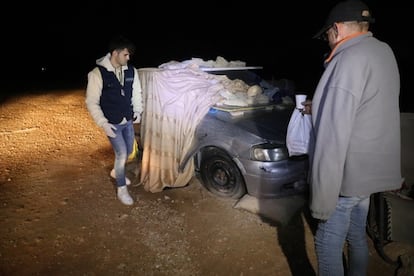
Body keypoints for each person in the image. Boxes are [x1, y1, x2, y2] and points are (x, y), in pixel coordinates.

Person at [304, 1, 402, 275]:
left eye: (327, 35)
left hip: (347, 176)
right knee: (356, 236)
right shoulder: (383, 51)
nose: (327, 40)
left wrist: (323, 200)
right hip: (372, 172)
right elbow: (367, 105)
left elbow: (332, 135)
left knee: (327, 240)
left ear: (336, 28)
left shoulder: (347, 60)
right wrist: (321, 104)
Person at [85, 35, 143, 206]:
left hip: (128, 120)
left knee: (129, 153)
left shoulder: (131, 71)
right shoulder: (97, 74)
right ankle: (121, 188)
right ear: (115, 53)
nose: (128, 58)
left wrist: (138, 110)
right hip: (112, 123)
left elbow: (136, 92)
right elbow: (91, 101)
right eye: (125, 54)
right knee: (122, 153)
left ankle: (115, 172)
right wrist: (103, 123)